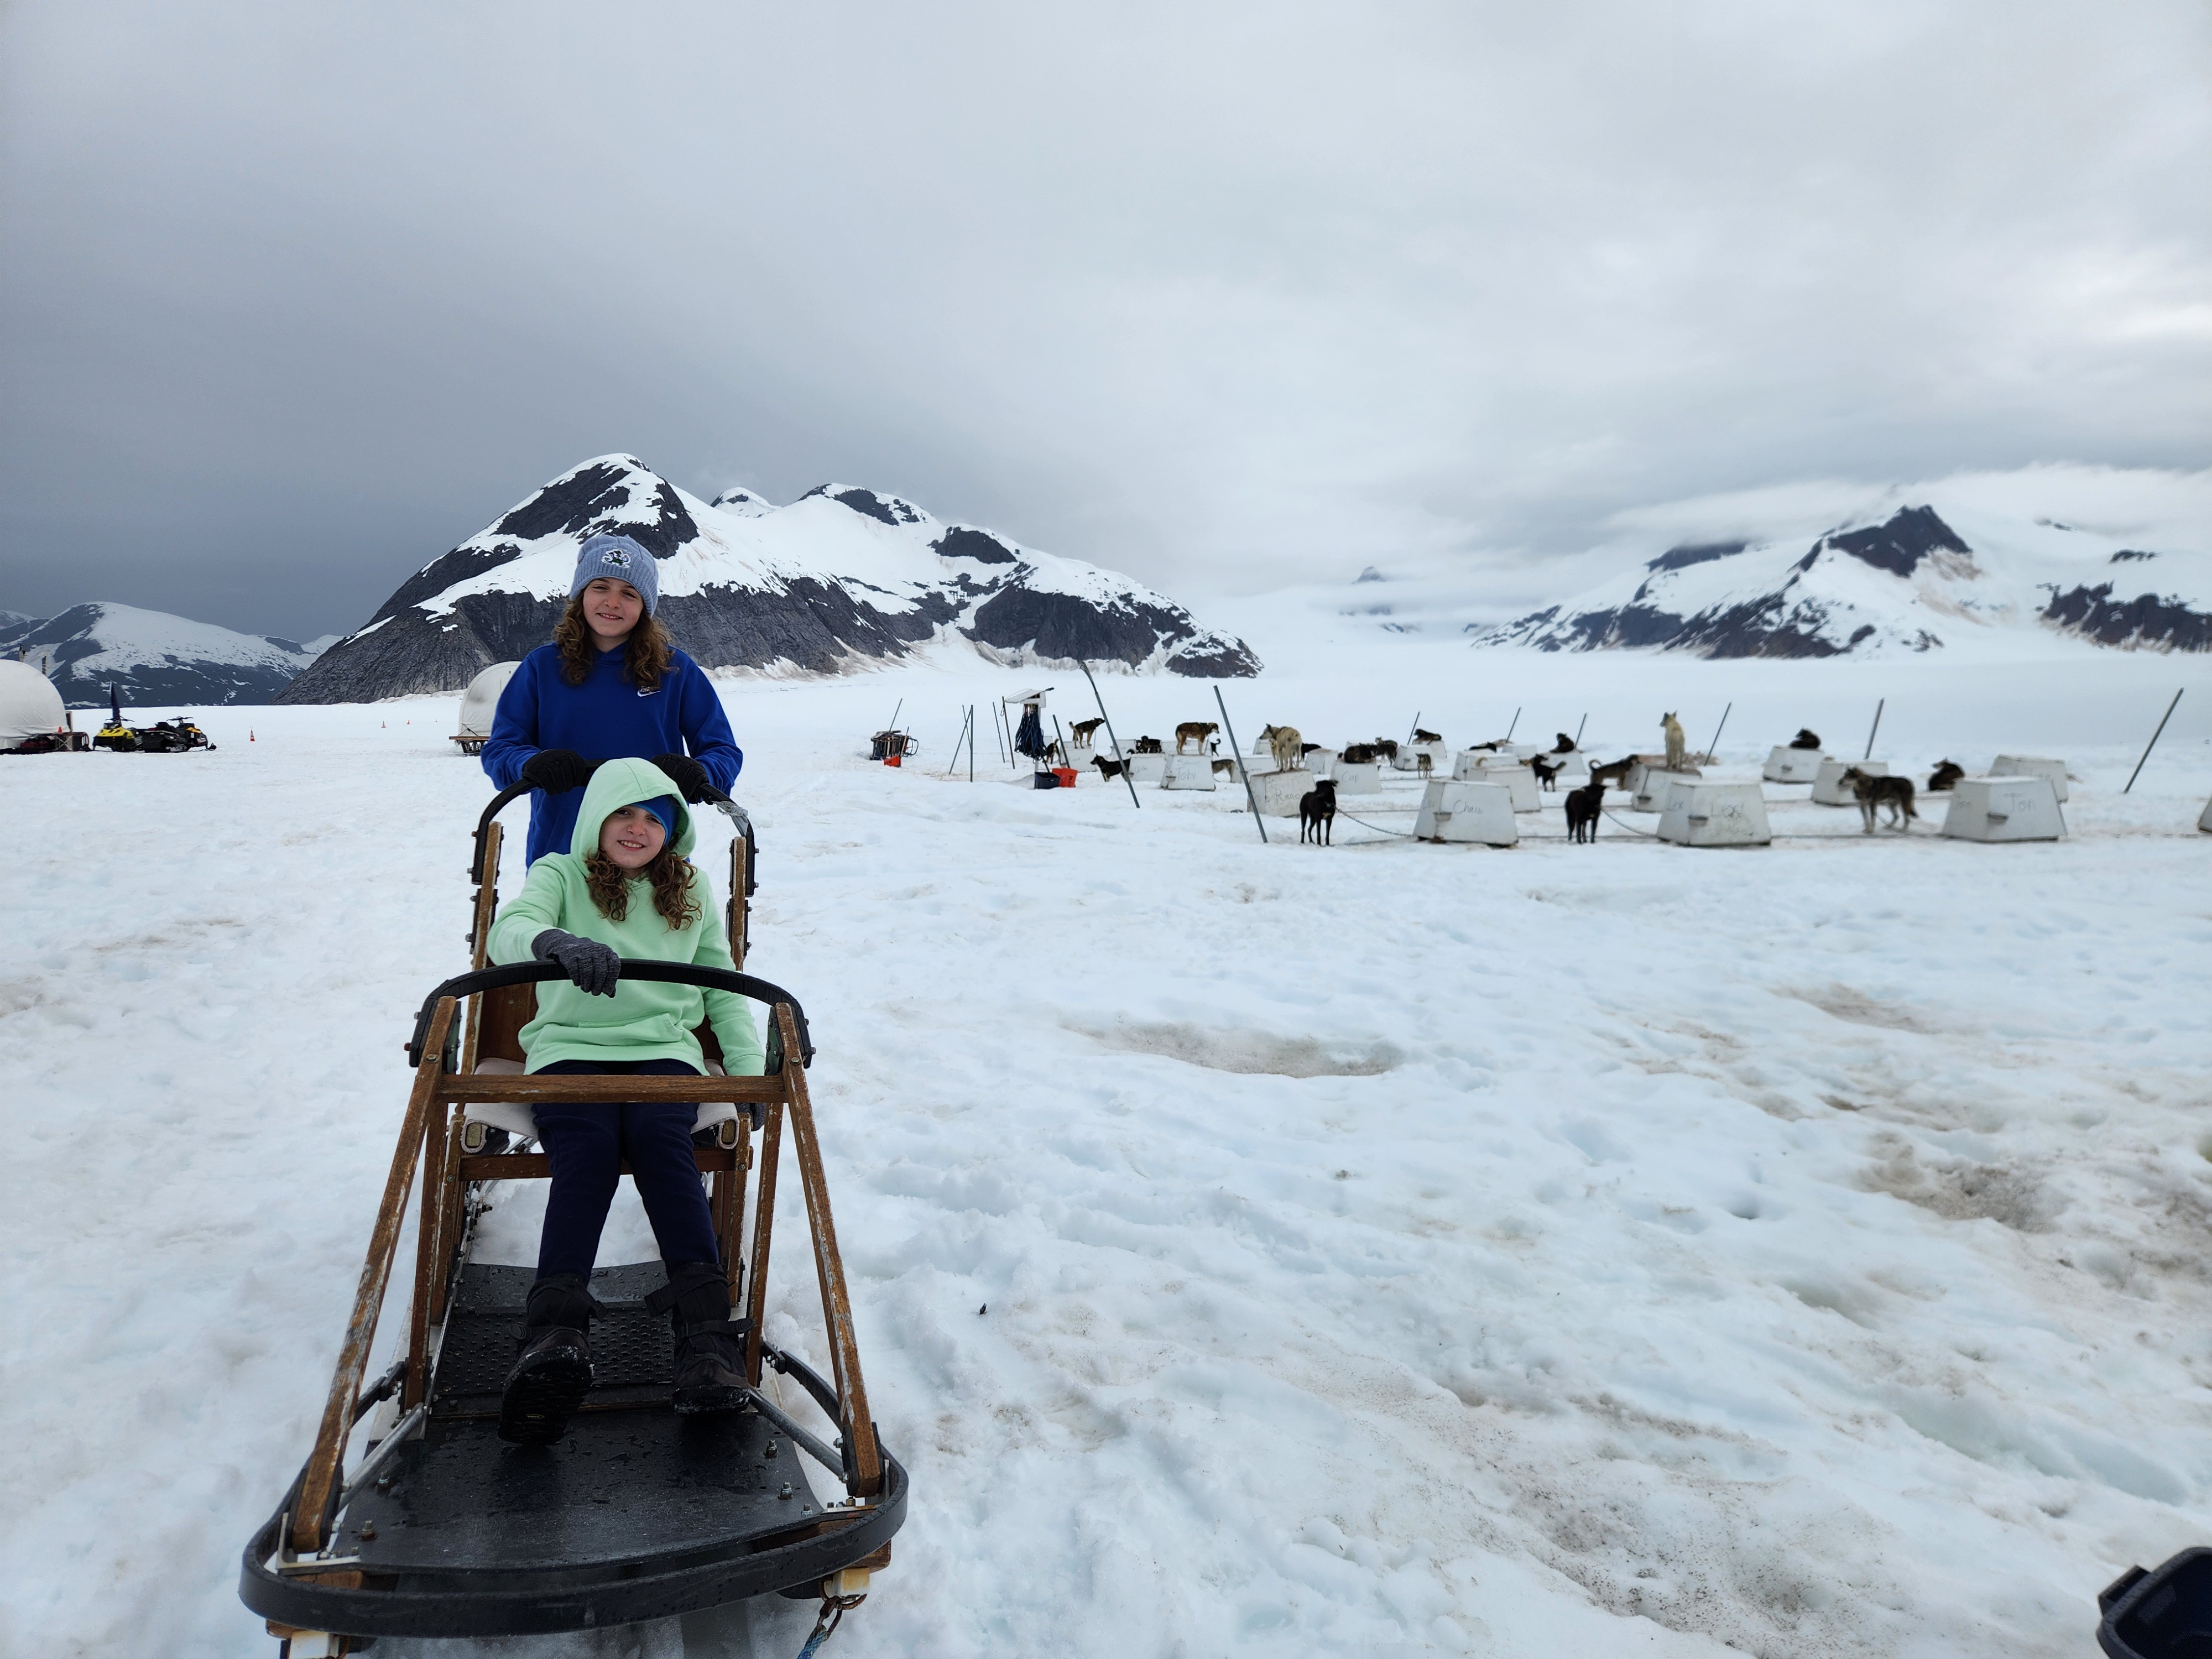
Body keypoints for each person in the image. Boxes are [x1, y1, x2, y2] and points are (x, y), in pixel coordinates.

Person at [487, 756, 766, 1445]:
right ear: (597, 818)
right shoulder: (560, 874)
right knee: (585, 1151)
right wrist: (552, 940)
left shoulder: (691, 890)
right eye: (624, 812)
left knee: (663, 1148)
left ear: (670, 832)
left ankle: (705, 1344)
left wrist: (748, 1069)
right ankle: (553, 1334)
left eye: (654, 817)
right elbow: (509, 930)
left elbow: (722, 985)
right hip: (570, 1052)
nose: (638, 828)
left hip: (662, 1056)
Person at [482, 533, 742, 865]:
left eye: (629, 593)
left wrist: (700, 771)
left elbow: (723, 750)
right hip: (563, 855)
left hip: (652, 857)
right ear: (581, 595)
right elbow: (502, 748)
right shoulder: (542, 667)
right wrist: (530, 763)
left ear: (645, 607)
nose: (613, 602)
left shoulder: (675, 670)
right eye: (600, 587)